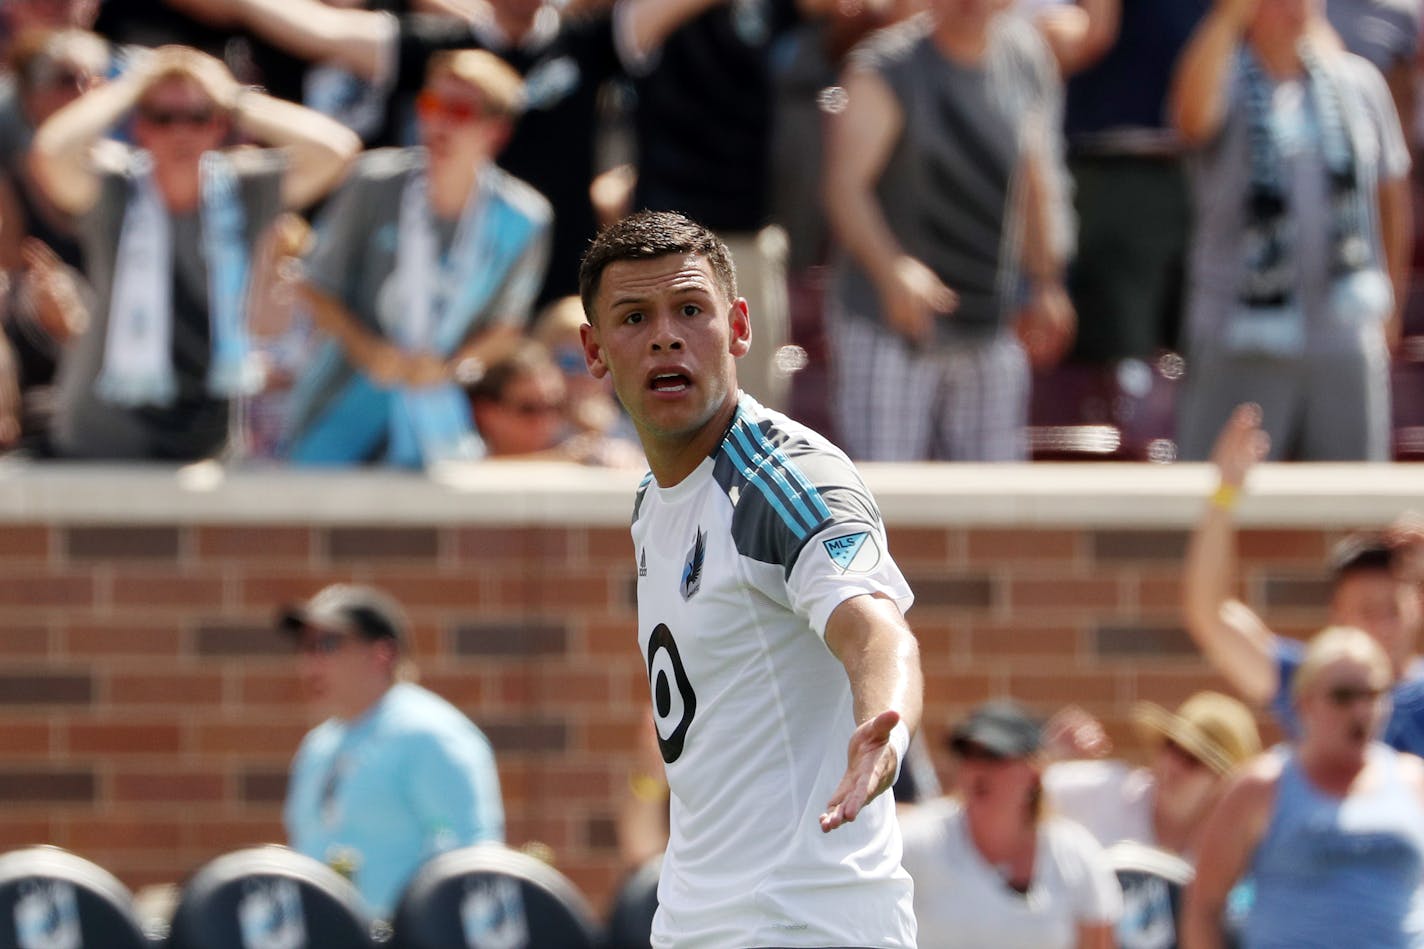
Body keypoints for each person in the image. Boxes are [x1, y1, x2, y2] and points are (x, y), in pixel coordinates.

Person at [577, 210, 923, 948]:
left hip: (807, 924)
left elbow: (875, 626)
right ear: (594, 350)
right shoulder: (654, 499)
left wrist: (882, 734)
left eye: (691, 310)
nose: (667, 334)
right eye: (635, 317)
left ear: (739, 327)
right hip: (702, 922)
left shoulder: (782, 480)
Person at [203, 0, 729, 308]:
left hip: (558, 282)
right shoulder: (439, 45)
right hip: (444, 286)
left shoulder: (587, 41)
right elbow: (327, 33)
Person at [28, 44, 359, 461]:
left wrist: (232, 96)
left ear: (219, 126)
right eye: (162, 118)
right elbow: (51, 151)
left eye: (198, 117)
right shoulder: (114, 187)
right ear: (139, 128)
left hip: (208, 439)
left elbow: (337, 150)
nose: (181, 132)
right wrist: (131, 87)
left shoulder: (244, 189)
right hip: (103, 435)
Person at [823, 0, 1077, 461]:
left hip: (988, 322)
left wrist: (1046, 283)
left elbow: (1036, 179)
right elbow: (844, 186)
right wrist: (891, 270)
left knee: (995, 510)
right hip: (890, 325)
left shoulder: (1026, 58)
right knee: (887, 504)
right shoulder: (887, 66)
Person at [1169, 0, 1412, 461]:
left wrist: (1391, 306)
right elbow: (1192, 118)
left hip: (1344, 336)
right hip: (1237, 337)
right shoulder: (1224, 81)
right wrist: (1225, 20)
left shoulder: (1358, 84)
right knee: (1223, 502)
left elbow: (1390, 200)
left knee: (1350, 510)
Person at [284, 49, 549, 468]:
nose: (438, 122)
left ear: (495, 131)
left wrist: (449, 369)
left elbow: (506, 328)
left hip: (436, 419)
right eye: (430, 105)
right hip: (337, 405)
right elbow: (313, 286)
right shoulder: (373, 181)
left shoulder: (524, 218)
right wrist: (369, 351)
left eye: (459, 111)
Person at [1183, 403, 1424, 752]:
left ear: (1418, 606)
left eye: (1393, 609)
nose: (1384, 624)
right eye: (1367, 611)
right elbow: (1210, 614)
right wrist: (1223, 494)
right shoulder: (1309, 683)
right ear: (1337, 617)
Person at [1183, 626, 1424, 948]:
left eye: (1373, 694)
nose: (1361, 710)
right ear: (1304, 703)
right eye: (1343, 696)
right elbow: (1203, 906)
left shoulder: (1413, 781)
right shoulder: (1263, 786)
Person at [278, 583, 505, 920]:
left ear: (382, 653)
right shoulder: (318, 745)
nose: (310, 662)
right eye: (304, 646)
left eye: (326, 644)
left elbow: (474, 859)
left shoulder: (430, 733)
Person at [899, 700, 1122, 949]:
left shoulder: (1075, 854)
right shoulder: (916, 843)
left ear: (1034, 771)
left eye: (993, 756)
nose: (977, 770)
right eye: (967, 754)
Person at [1044, 692, 1262, 861]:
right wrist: (1047, 753)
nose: (1172, 764)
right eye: (1171, 746)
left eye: (1192, 759)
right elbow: (1018, 793)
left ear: (1222, 786)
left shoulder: (1236, 851)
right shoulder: (1105, 789)